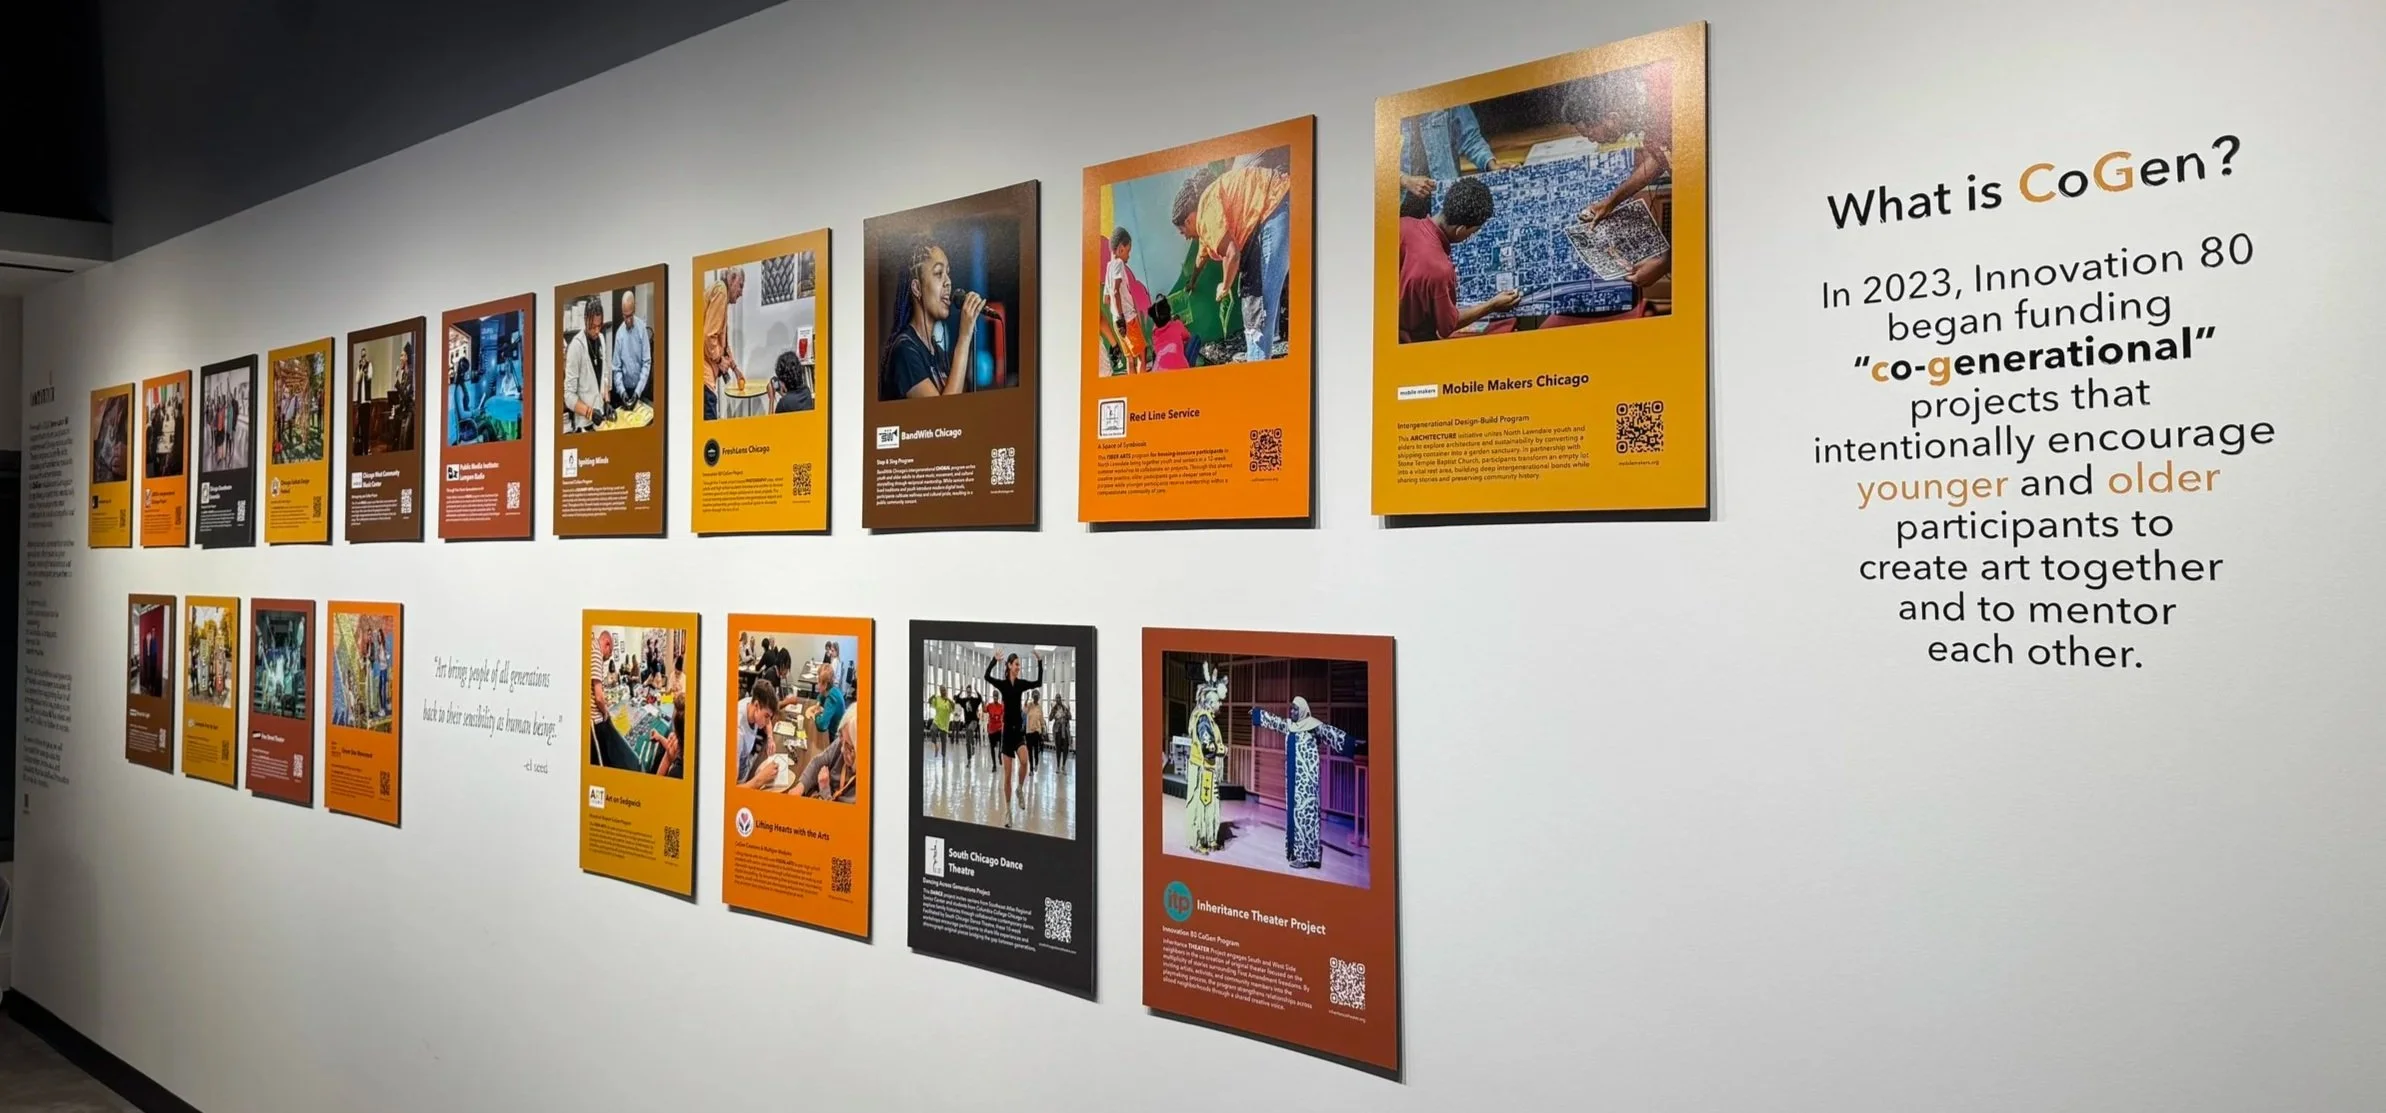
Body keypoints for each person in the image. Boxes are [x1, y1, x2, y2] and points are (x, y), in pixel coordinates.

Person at [1172, 162, 1293, 363]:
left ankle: (1258, 362)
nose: (1184, 236)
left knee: (1259, 307)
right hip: (1269, 211)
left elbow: (1232, 254)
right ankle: (1261, 351)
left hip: (1274, 207)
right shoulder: (1206, 222)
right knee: (1256, 304)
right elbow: (1201, 258)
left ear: (1188, 221)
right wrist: (1192, 281)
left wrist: (1224, 286)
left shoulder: (1206, 215)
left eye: (1182, 231)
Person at [1570, 65, 1676, 291]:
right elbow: (1660, 158)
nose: (1592, 141)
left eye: (1590, 133)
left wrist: (1667, 261)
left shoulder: (1666, 106)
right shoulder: (1646, 103)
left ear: (1611, 118)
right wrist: (1612, 201)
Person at [1396, 176, 1520, 343]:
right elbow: (1447, 326)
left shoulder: (1402, 224)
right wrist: (1491, 305)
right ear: (1460, 229)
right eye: (1472, 232)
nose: (1471, 236)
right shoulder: (1441, 271)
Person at [1253, 697, 1358, 870]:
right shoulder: (1290, 726)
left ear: (1302, 710)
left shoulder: (1314, 727)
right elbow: (1274, 722)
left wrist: (1354, 744)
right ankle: (1298, 853)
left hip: (1307, 783)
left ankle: (1307, 856)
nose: (1292, 711)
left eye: (1295, 709)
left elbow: (1333, 735)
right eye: (1291, 708)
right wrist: (1258, 714)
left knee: (1306, 818)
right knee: (1295, 818)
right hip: (1293, 781)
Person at [877, 239, 987, 400]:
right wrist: (964, 337)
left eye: (948, 273)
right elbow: (943, 413)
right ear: (917, 288)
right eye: (938, 273)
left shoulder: (938, 353)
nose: (948, 282)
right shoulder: (905, 351)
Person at [983, 652, 1044, 828]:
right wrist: (994, 660)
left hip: (1018, 733)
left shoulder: (1020, 684)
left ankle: (1020, 789)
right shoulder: (1003, 685)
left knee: (1025, 761)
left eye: (1019, 665)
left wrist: (1040, 662)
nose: (1019, 667)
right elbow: (986, 676)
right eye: (1016, 664)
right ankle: (1008, 811)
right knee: (1007, 776)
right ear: (1009, 665)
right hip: (1007, 735)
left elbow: (1038, 682)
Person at [1184, 664, 1229, 853]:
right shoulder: (1203, 720)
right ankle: (1198, 841)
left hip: (1208, 770)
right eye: (1218, 702)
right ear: (1210, 704)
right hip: (1202, 769)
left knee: (1210, 803)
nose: (1221, 705)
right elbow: (1208, 748)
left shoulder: (1209, 720)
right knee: (1201, 803)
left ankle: (1210, 838)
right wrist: (1223, 750)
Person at [702, 268, 746, 420]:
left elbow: (723, 344)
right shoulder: (721, 291)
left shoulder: (721, 294)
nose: (741, 292)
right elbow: (709, 336)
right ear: (732, 279)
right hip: (704, 376)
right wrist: (719, 360)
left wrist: (735, 369)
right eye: (740, 285)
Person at [1102, 228, 1144, 374]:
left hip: (1117, 322)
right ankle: (1144, 385)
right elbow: (1114, 291)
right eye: (1128, 251)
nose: (1128, 255)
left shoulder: (1108, 268)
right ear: (1120, 249)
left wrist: (1117, 315)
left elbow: (1106, 299)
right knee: (1141, 356)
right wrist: (1122, 316)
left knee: (1129, 359)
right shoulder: (1119, 264)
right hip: (1127, 319)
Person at [563, 300, 610, 432]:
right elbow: (568, 396)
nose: (596, 331)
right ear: (585, 320)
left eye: (599, 326)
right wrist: (590, 413)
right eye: (592, 326)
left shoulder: (601, 339)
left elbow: (605, 375)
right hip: (584, 424)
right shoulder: (576, 347)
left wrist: (607, 401)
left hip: (600, 419)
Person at [611, 288, 653, 411]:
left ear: (634, 309)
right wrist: (622, 391)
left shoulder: (641, 330)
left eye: (630, 316)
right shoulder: (619, 334)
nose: (628, 320)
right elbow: (616, 368)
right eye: (625, 316)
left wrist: (637, 392)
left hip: (641, 389)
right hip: (626, 389)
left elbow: (646, 362)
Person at [735, 678, 780, 785]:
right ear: (756, 705)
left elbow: (767, 722)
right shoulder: (738, 734)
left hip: (748, 764)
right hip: (741, 781)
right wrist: (760, 779)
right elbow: (731, 791)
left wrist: (770, 738)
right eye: (766, 716)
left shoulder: (751, 703)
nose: (768, 721)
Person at [1145, 298, 1193, 372]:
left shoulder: (1154, 335)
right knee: (1195, 339)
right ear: (1169, 314)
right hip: (1181, 370)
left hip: (1159, 372)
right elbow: (1188, 336)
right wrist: (1178, 322)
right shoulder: (1177, 325)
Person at [1024, 695, 1047, 771]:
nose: (1036, 699)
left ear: (1038, 698)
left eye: (1037, 697)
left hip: (1037, 731)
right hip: (1029, 731)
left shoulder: (1039, 708)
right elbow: (1024, 711)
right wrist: (1026, 700)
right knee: (1030, 751)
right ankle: (1031, 768)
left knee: (1036, 750)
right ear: (1033, 698)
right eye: (1034, 697)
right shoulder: (1029, 705)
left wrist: (1043, 730)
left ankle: (1036, 763)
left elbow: (1042, 720)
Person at [930, 685, 955, 751]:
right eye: (942, 690)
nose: (943, 692)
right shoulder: (937, 698)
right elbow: (930, 702)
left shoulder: (949, 701)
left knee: (943, 743)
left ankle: (943, 755)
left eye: (944, 690)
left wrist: (949, 700)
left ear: (946, 691)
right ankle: (936, 745)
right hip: (937, 721)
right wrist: (931, 697)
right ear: (940, 691)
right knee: (932, 729)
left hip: (944, 724)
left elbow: (953, 707)